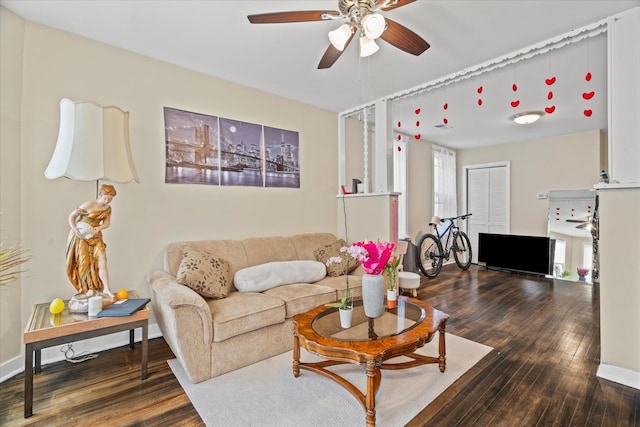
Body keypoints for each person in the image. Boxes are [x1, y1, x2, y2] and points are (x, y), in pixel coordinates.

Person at [66, 184, 116, 297]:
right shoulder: (88, 204)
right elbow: (72, 216)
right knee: (84, 262)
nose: (107, 201)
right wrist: (74, 228)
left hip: (96, 235)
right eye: (106, 198)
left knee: (102, 260)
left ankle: (106, 289)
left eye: (110, 199)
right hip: (82, 235)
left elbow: (107, 223)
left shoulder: (108, 209)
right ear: (101, 194)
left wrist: (99, 228)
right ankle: (87, 288)